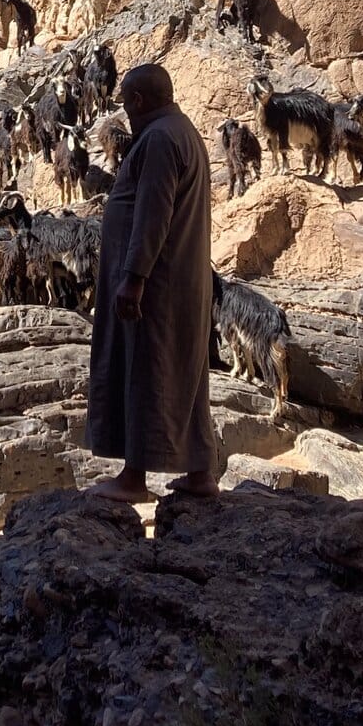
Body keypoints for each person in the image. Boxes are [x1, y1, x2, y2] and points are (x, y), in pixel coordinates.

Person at [87, 63, 218, 502]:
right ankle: (200, 473)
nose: (126, 111)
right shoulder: (183, 132)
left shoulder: (160, 139)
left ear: (138, 100)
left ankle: (134, 477)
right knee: (187, 374)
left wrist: (134, 278)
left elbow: (152, 215)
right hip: (182, 278)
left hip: (157, 284)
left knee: (142, 368)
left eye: (126, 103)